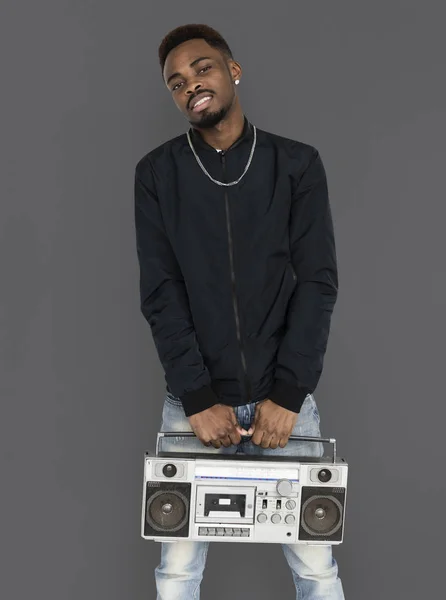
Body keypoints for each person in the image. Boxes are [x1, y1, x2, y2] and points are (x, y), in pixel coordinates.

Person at [134, 23, 344, 600]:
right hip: (194, 407)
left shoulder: (296, 165)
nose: (190, 86)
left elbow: (317, 282)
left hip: (286, 405)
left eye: (201, 68)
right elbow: (161, 292)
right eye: (176, 82)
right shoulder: (156, 175)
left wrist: (289, 393)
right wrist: (198, 398)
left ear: (233, 70)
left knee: (317, 571)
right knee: (176, 574)